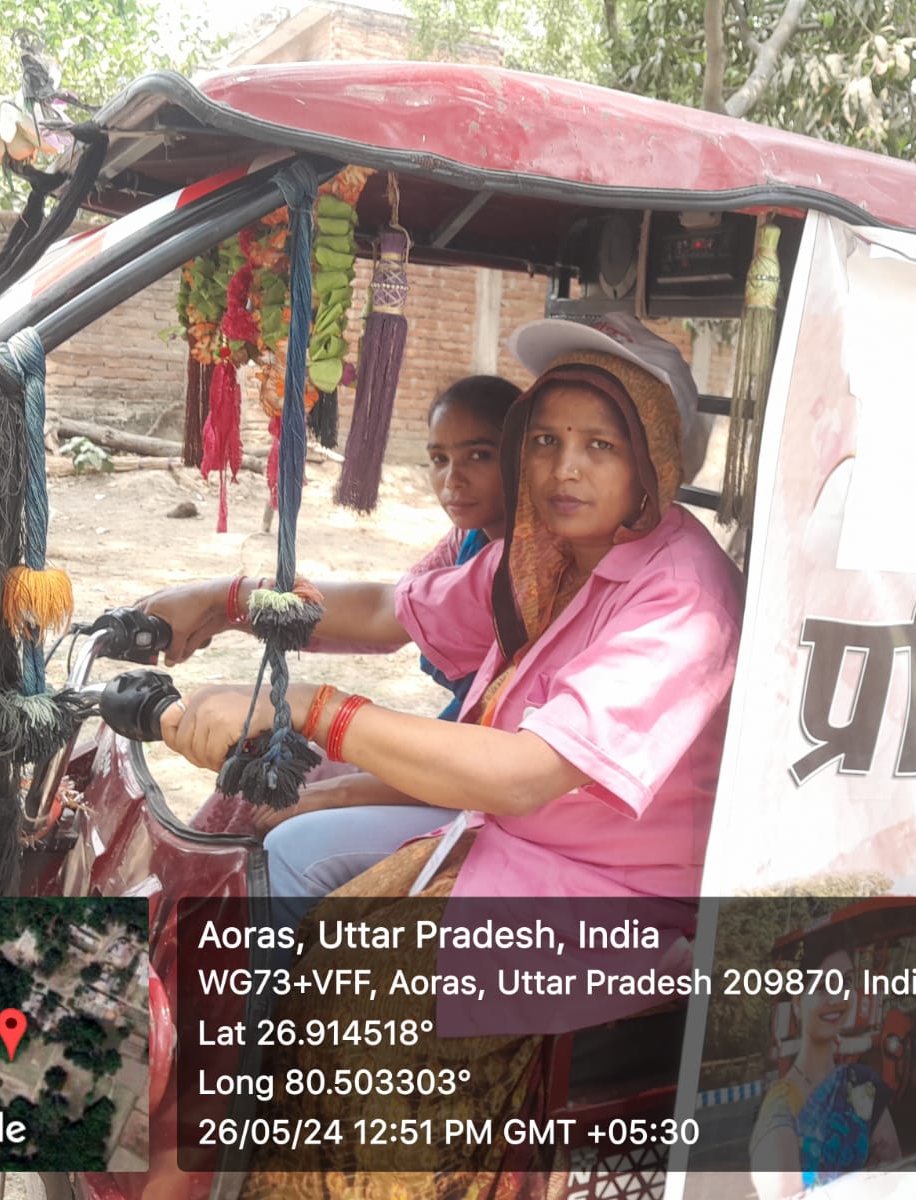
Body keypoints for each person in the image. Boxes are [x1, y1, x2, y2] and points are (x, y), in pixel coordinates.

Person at [158, 315, 742, 1197]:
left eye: (600, 445)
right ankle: (231, 1123)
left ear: (655, 457)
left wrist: (315, 709)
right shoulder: (548, 554)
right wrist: (226, 598)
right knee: (286, 858)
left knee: (354, 977)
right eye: (544, 440)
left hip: (615, 900)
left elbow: (527, 773)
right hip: (511, 837)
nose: (564, 469)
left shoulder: (683, 596)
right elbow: (392, 609)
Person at [140, 375, 520, 896]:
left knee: (294, 844)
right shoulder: (469, 539)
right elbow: (393, 608)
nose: (453, 479)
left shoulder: (521, 566)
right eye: (439, 458)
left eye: (479, 455)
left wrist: (225, 600)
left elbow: (383, 614)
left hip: (487, 779)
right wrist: (225, 612)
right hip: (462, 748)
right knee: (266, 769)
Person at [750, 943, 903, 1199]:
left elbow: (895, 1171)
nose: (837, 998)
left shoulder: (862, 1084)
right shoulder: (780, 1108)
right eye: (822, 987)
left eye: (846, 982)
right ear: (798, 1002)